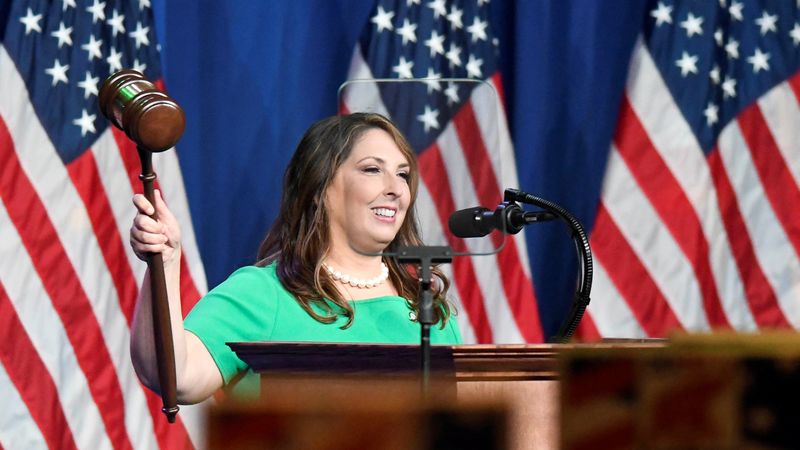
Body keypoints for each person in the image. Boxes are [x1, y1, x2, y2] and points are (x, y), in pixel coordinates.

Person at [129, 113, 462, 403]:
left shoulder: (428, 311)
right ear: (319, 189)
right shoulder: (264, 294)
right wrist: (166, 264)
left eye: (403, 174)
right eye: (373, 169)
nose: (396, 188)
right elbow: (176, 378)